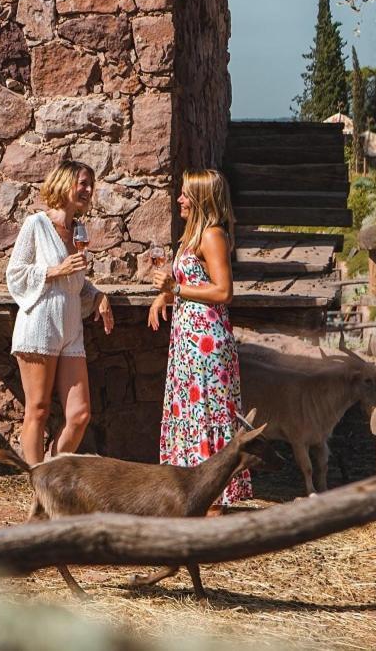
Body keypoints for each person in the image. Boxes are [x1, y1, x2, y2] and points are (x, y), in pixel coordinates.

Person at [148, 168, 250, 513]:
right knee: (190, 413)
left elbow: (223, 291)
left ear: (202, 198)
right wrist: (165, 297)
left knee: (206, 413)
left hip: (206, 341)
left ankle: (214, 500)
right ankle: (193, 491)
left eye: (185, 194)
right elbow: (197, 286)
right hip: (188, 340)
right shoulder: (194, 237)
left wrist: (174, 289)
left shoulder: (212, 235)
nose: (179, 199)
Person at [6, 161, 114, 466]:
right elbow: (15, 274)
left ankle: (49, 476)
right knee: (38, 408)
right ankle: (38, 485)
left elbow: (75, 281)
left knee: (79, 415)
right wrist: (55, 270)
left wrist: (97, 295)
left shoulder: (77, 230)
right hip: (40, 323)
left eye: (91, 185)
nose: (88, 191)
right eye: (83, 183)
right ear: (64, 183)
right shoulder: (36, 225)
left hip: (70, 328)